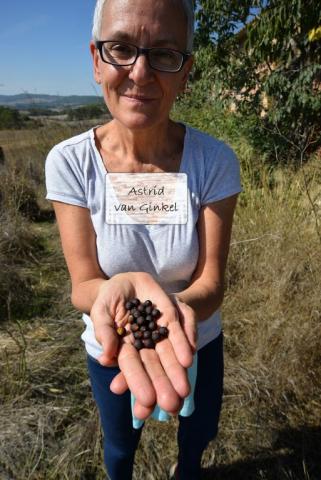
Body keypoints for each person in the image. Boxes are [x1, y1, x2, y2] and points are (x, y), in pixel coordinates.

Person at [45, 0, 242, 478]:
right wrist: (118, 290)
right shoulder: (70, 163)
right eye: (121, 49)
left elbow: (211, 281)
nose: (140, 72)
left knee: (199, 433)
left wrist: (178, 312)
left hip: (197, 336)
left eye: (164, 54)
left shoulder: (214, 162)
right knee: (119, 444)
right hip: (114, 340)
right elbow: (84, 284)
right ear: (96, 60)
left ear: (185, 71)